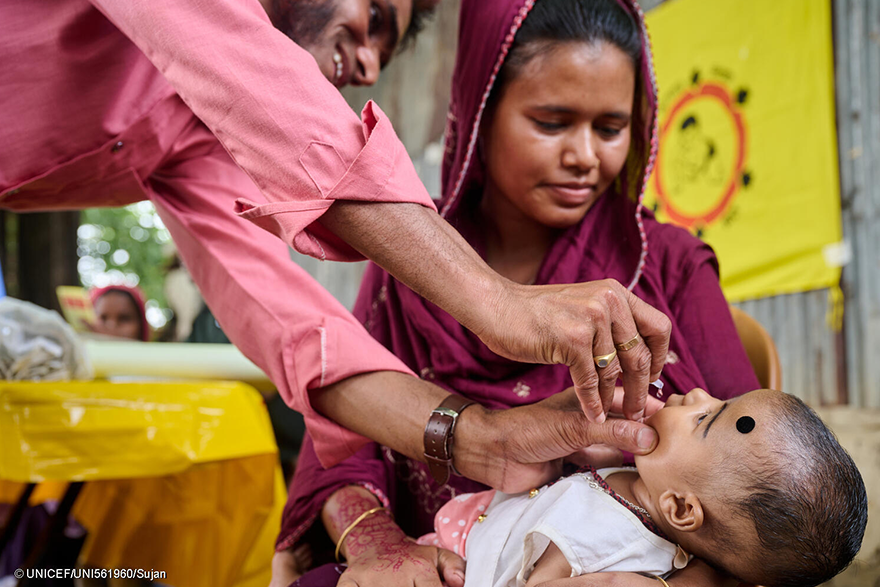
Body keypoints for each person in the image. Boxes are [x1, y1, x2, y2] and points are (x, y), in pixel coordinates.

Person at [1, 0, 671, 493]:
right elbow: (267, 92)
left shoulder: (192, 137)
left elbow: (301, 332)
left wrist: (485, 439)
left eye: (611, 127)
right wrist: (498, 302)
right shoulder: (406, 265)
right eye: (377, 15)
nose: (371, 64)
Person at [274, 0, 761, 585]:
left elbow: (750, 487)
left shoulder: (668, 266)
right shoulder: (412, 262)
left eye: (610, 129)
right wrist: (378, 544)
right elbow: (346, 440)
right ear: (481, 113)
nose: (584, 157)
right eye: (551, 123)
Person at [419, 388, 867, 587]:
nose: (696, 394)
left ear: (680, 509)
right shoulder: (646, 493)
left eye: (704, 418)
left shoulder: (607, 538)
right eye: (720, 400)